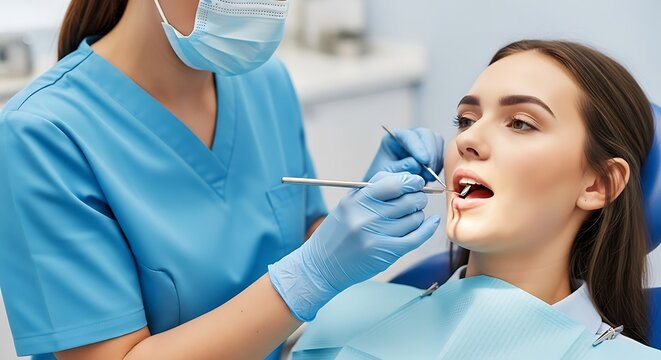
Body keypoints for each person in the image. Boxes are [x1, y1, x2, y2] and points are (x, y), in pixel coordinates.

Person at [0, 1, 446, 359]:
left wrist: (359, 215)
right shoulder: (43, 134)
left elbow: (300, 237)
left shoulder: (265, 82)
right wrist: (312, 274)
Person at [291, 40, 660, 358]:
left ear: (599, 184)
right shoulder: (345, 313)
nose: (467, 140)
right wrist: (314, 274)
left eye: (520, 123)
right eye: (466, 120)